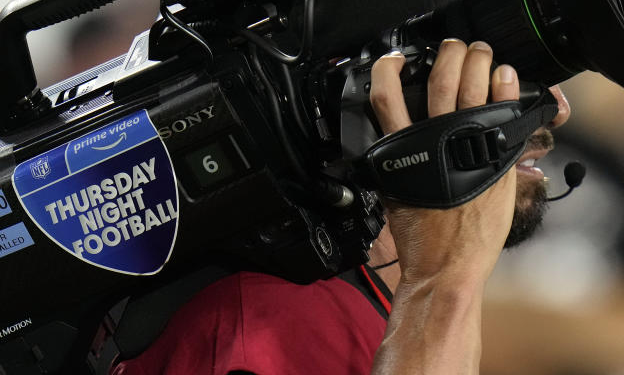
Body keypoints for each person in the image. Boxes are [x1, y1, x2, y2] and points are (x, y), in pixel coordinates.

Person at [111, 38, 572, 375]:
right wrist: (445, 282)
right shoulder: (277, 324)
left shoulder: (374, 312)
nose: (558, 108)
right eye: (502, 72)